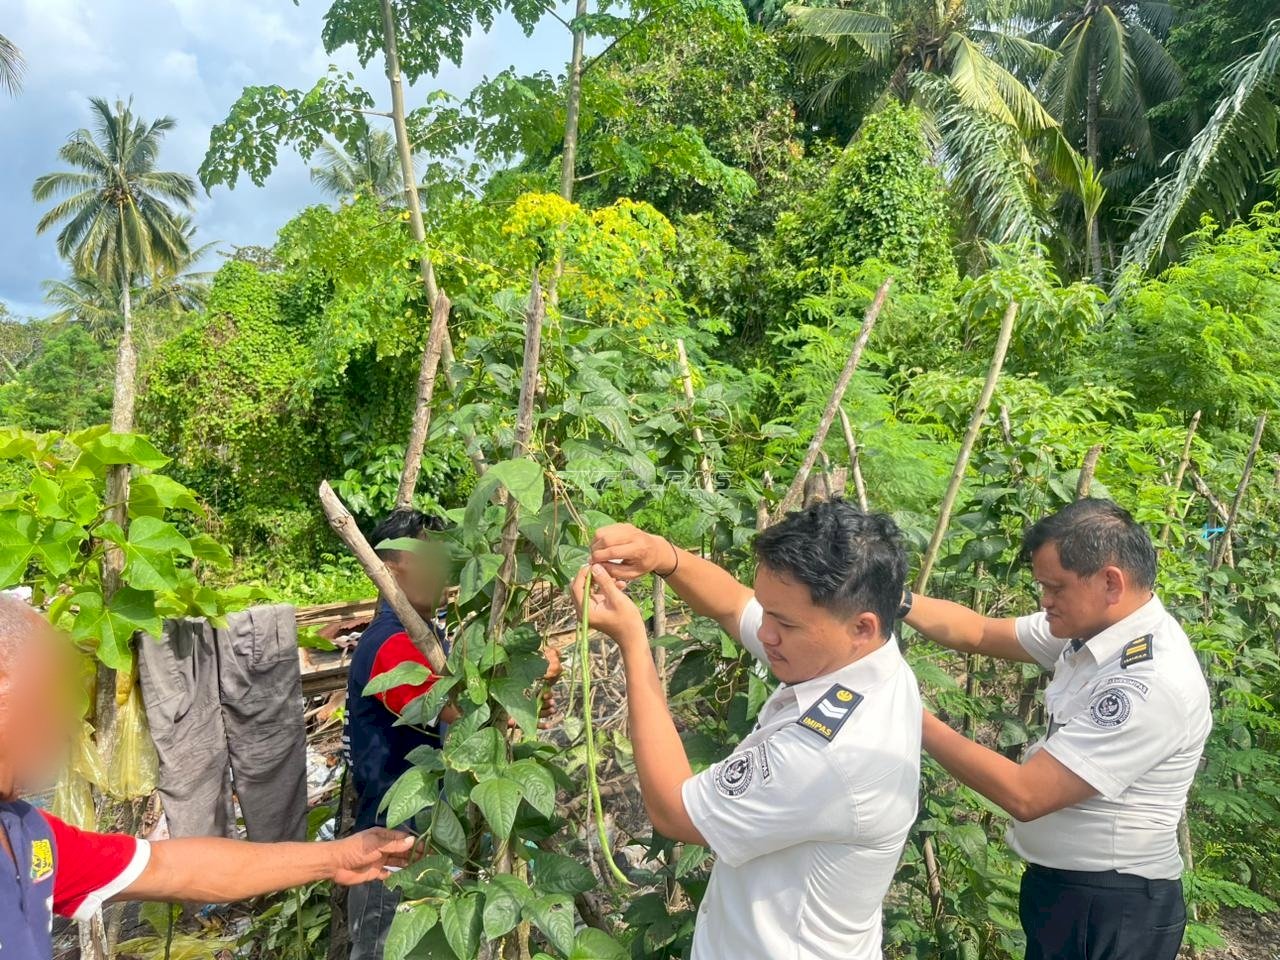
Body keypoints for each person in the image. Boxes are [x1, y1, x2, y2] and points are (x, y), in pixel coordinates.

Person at [581, 499, 920, 960]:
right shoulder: (862, 659)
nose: (765, 633)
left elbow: (674, 812)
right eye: (769, 612)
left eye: (783, 623)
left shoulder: (830, 755)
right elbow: (734, 605)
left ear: (861, 626)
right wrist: (664, 556)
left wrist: (633, 641)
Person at [0, 595, 413, 960]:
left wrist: (337, 856)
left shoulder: (32, 837)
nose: (67, 721)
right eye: (50, 693)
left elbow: (174, 868)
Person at [902, 498, 1211, 960]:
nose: (1044, 600)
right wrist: (894, 597)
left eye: (1054, 587)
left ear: (1110, 582)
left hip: (1112, 909)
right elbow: (979, 632)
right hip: (1068, 894)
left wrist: (906, 714)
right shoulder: (1092, 630)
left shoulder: (1149, 682)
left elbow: (1028, 794)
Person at [343, 508, 560, 959]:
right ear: (391, 568)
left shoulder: (431, 638)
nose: (442, 570)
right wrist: (530, 680)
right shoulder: (391, 644)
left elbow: (480, 718)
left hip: (431, 838)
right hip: (395, 844)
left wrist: (524, 705)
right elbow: (461, 711)